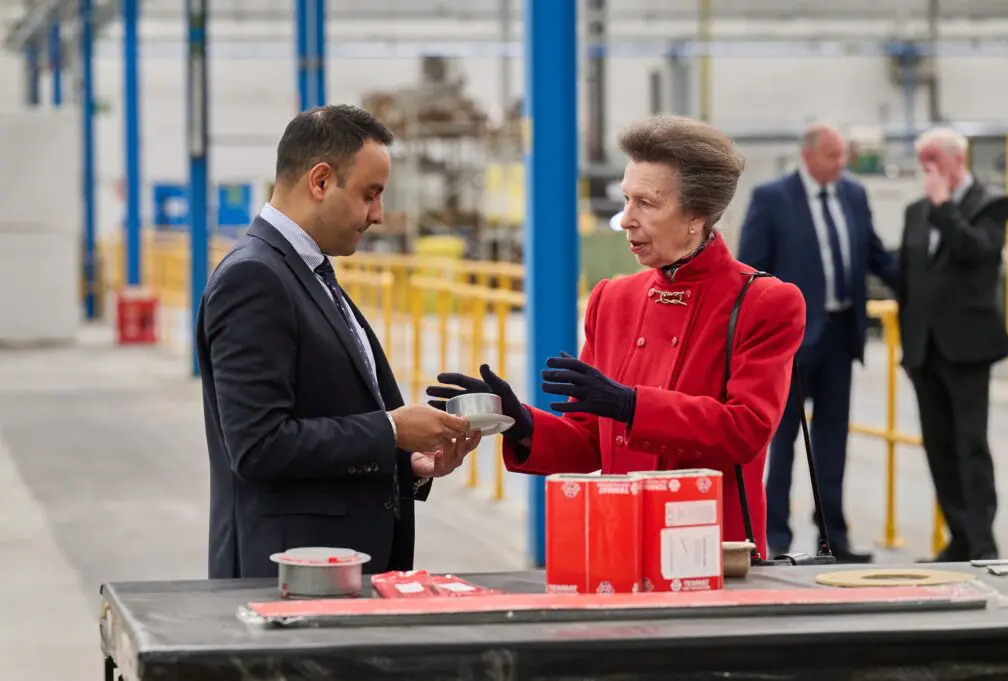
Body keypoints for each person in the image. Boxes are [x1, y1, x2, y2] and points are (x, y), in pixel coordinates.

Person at [427, 115, 806, 560]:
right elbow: (591, 442)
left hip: (711, 547)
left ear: (695, 217)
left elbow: (747, 430)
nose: (625, 219)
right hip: (621, 539)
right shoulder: (612, 300)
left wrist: (631, 405)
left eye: (646, 203)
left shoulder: (765, 302)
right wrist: (523, 421)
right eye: (626, 199)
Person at [196, 104, 479, 580]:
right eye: (371, 194)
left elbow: (322, 416)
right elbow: (258, 445)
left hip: (330, 571)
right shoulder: (255, 278)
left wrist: (406, 462)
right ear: (321, 181)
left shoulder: (306, 273)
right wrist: (390, 429)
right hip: (287, 577)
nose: (379, 215)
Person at [737, 122, 899, 563]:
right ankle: (778, 538)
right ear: (808, 156)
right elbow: (753, 268)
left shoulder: (853, 195)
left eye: (843, 155)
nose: (841, 164)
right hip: (789, 345)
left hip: (841, 338)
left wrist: (926, 280)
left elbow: (876, 256)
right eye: (833, 155)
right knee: (783, 441)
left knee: (834, 441)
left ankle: (834, 537)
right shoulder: (773, 199)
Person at [896, 126, 1008, 562]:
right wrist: (909, 348)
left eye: (933, 162)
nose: (926, 171)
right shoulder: (915, 212)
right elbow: (908, 280)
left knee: (971, 447)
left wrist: (945, 206)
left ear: (956, 159)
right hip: (925, 351)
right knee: (938, 448)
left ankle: (983, 543)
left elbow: (975, 250)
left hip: (968, 348)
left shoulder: (991, 204)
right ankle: (959, 536)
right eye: (922, 162)